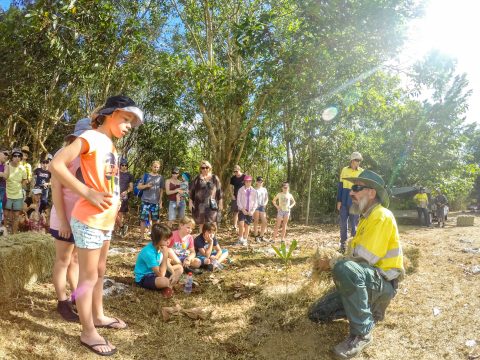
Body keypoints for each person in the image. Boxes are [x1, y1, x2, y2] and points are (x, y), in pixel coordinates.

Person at [50, 95, 143, 356]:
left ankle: (99, 315)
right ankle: (87, 330)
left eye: (131, 123)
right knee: (88, 277)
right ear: (110, 114)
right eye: (126, 120)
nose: (128, 127)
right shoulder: (90, 137)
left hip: (106, 219)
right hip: (88, 218)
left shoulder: (111, 146)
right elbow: (56, 165)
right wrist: (87, 193)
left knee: (100, 271)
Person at [308, 170, 404, 359]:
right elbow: (353, 258)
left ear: (371, 193)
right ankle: (370, 310)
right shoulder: (365, 219)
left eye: (357, 188)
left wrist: (331, 262)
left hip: (383, 284)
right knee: (317, 313)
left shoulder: (381, 215)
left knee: (343, 268)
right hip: (367, 281)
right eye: (352, 188)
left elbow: (364, 259)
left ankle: (362, 333)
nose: (351, 192)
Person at [50, 118, 91, 322]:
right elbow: (56, 189)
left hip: (80, 218)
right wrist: (64, 222)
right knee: (63, 260)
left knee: (75, 259)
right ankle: (62, 301)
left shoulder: (89, 156)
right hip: (64, 217)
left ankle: (76, 297)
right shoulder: (62, 154)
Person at [134, 223, 183, 295]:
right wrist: (165, 255)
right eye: (165, 239)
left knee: (179, 268)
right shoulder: (149, 252)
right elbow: (161, 274)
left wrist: (172, 273)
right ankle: (169, 285)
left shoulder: (161, 247)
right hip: (144, 277)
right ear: (157, 240)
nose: (168, 242)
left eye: (169, 239)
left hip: (156, 273)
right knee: (164, 281)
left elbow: (166, 265)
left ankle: (169, 286)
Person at [336, 151, 364, 253]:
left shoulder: (362, 172)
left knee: (354, 225)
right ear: (352, 160)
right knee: (343, 224)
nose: (358, 162)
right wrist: (339, 200)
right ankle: (343, 245)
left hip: (355, 203)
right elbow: (340, 186)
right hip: (343, 201)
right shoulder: (344, 170)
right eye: (357, 160)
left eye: (360, 160)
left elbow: (363, 190)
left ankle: (353, 246)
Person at [189, 160, 223, 232]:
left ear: (209, 168)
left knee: (213, 223)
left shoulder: (214, 178)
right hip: (199, 204)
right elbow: (192, 191)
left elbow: (219, 191)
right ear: (200, 169)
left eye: (206, 167)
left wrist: (220, 202)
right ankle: (202, 241)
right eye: (203, 168)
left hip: (212, 204)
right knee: (201, 223)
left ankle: (214, 240)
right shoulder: (196, 178)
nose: (205, 169)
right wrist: (190, 202)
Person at [137, 160, 164, 241]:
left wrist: (160, 201)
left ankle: (154, 237)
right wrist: (146, 185)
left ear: (159, 168)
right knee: (143, 219)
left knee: (155, 220)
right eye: (154, 166)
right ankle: (142, 237)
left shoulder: (160, 177)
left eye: (157, 167)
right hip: (145, 201)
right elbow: (139, 187)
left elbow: (161, 190)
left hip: (155, 202)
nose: (155, 168)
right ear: (151, 167)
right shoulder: (146, 176)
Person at [3, 148, 28, 234]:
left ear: (21, 158)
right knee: (5, 215)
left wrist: (24, 185)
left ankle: (14, 234)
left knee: (16, 216)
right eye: (15, 156)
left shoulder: (22, 168)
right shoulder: (6, 166)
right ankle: (4, 233)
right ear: (12, 157)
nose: (17, 157)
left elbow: (25, 180)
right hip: (7, 194)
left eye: (19, 156)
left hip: (18, 195)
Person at [236, 175, 257, 246]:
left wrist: (252, 211)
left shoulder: (254, 191)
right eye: (246, 181)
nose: (248, 183)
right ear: (244, 182)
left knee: (247, 225)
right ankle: (240, 238)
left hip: (250, 211)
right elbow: (238, 200)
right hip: (242, 210)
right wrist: (242, 209)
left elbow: (255, 202)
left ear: (251, 182)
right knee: (241, 224)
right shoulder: (241, 190)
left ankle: (245, 239)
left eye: (249, 181)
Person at [116, 158, 133, 237]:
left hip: (124, 195)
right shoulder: (116, 173)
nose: (124, 166)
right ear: (120, 165)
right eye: (122, 165)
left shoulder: (129, 175)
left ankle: (119, 230)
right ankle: (121, 227)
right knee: (114, 212)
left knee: (120, 213)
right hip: (115, 194)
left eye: (125, 165)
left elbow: (131, 187)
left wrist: (126, 192)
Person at [229, 165, 245, 232]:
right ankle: (234, 226)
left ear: (239, 169)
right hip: (235, 197)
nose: (235, 172)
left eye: (236, 171)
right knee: (235, 212)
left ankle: (242, 226)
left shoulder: (244, 176)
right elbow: (230, 187)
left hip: (243, 197)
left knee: (243, 211)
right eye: (234, 171)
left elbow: (248, 185)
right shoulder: (233, 178)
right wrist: (232, 195)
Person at [253, 176, 268, 242]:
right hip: (256, 206)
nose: (260, 182)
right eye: (259, 181)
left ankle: (261, 236)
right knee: (256, 221)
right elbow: (252, 199)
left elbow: (267, 198)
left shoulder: (264, 189)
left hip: (262, 206)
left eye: (261, 181)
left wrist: (265, 203)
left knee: (264, 221)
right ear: (256, 182)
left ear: (262, 182)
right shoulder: (254, 190)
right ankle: (256, 236)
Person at [0, 150, 9, 227]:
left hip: (2, 190)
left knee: (1, 210)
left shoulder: (6, 166)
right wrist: (2, 174)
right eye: (4, 154)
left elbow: (6, 176)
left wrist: (2, 174)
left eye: (7, 155)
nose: (6, 156)